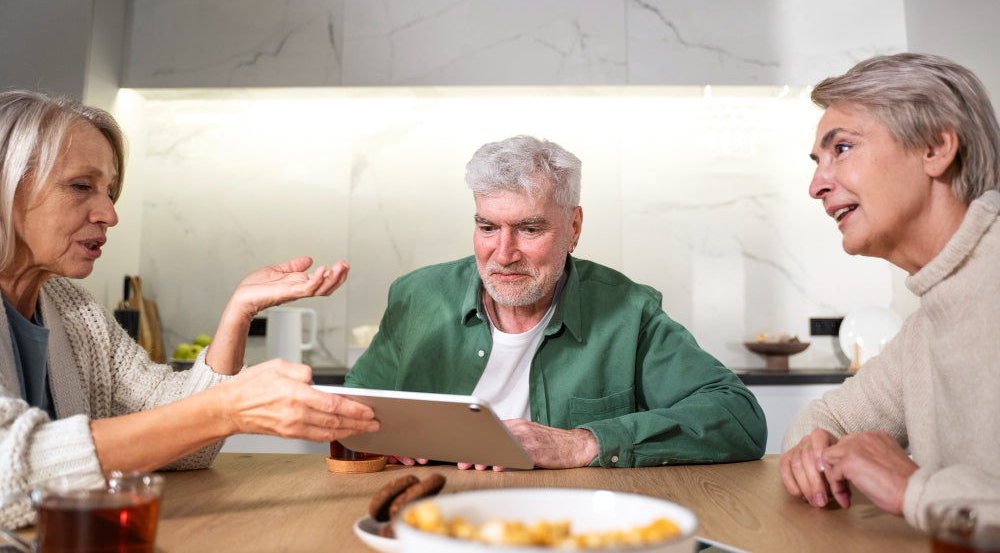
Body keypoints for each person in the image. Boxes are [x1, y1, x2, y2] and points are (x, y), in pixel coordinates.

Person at [0, 90, 378, 529]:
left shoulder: (73, 310)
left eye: (109, 190)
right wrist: (226, 409)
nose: (109, 213)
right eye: (81, 186)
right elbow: (9, 469)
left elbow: (187, 442)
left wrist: (238, 312)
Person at [346, 134, 766, 469]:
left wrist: (583, 444)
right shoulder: (416, 296)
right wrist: (383, 436)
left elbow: (738, 418)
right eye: (488, 227)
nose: (504, 253)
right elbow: (351, 409)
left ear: (574, 227)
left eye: (529, 229)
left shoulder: (629, 312)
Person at [779, 53, 1000, 531]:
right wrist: (812, 449)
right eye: (818, 161)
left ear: (935, 148)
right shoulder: (927, 323)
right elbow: (824, 418)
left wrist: (914, 490)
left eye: (841, 148)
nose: (816, 184)